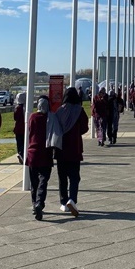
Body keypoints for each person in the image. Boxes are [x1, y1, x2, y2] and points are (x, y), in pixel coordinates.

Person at [54, 87, 89, 216]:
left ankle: (63, 202)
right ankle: (72, 199)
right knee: (74, 177)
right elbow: (85, 128)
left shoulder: (59, 111)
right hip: (74, 148)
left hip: (61, 149)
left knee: (62, 177)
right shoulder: (80, 111)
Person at [26, 96, 54, 221]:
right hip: (46, 152)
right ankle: (39, 202)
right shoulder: (49, 118)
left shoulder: (32, 117)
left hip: (32, 152)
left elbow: (30, 131)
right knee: (44, 180)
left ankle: (34, 204)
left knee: (34, 181)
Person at [13, 92, 25, 164]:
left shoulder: (17, 108)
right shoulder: (25, 108)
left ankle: (20, 153)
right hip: (24, 128)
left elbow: (15, 118)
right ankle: (22, 154)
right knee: (24, 142)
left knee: (19, 142)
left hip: (18, 128)